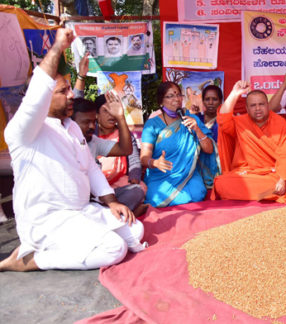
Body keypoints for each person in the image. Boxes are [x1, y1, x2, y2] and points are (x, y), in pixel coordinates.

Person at [0, 28, 145, 272]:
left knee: (135, 230)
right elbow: (38, 91)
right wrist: (57, 48)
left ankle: (77, 242)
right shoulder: (24, 131)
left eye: (69, 89)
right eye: (62, 91)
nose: (71, 96)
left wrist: (111, 202)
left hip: (82, 212)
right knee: (114, 249)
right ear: (44, 97)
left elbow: (89, 168)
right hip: (49, 221)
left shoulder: (72, 128)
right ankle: (29, 261)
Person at [214, 81, 286, 201]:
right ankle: (267, 194)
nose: (258, 108)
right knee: (221, 183)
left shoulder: (281, 124)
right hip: (247, 174)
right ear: (247, 109)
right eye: (253, 106)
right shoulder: (239, 123)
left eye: (261, 104)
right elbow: (222, 119)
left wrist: (283, 180)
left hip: (272, 174)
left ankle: (265, 192)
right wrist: (234, 93)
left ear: (267, 105)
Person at [140, 82, 218, 207]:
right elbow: (144, 158)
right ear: (161, 101)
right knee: (155, 197)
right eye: (170, 96)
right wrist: (155, 163)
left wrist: (197, 130)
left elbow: (209, 150)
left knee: (197, 193)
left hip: (188, 174)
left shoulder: (192, 119)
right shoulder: (152, 124)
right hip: (162, 175)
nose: (176, 99)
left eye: (179, 95)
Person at [71, 97, 147, 216]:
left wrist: (121, 118)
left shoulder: (92, 141)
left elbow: (126, 150)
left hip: (103, 194)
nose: (91, 126)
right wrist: (80, 78)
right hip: (75, 200)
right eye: (86, 122)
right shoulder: (63, 142)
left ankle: (110, 214)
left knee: (137, 191)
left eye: (92, 122)